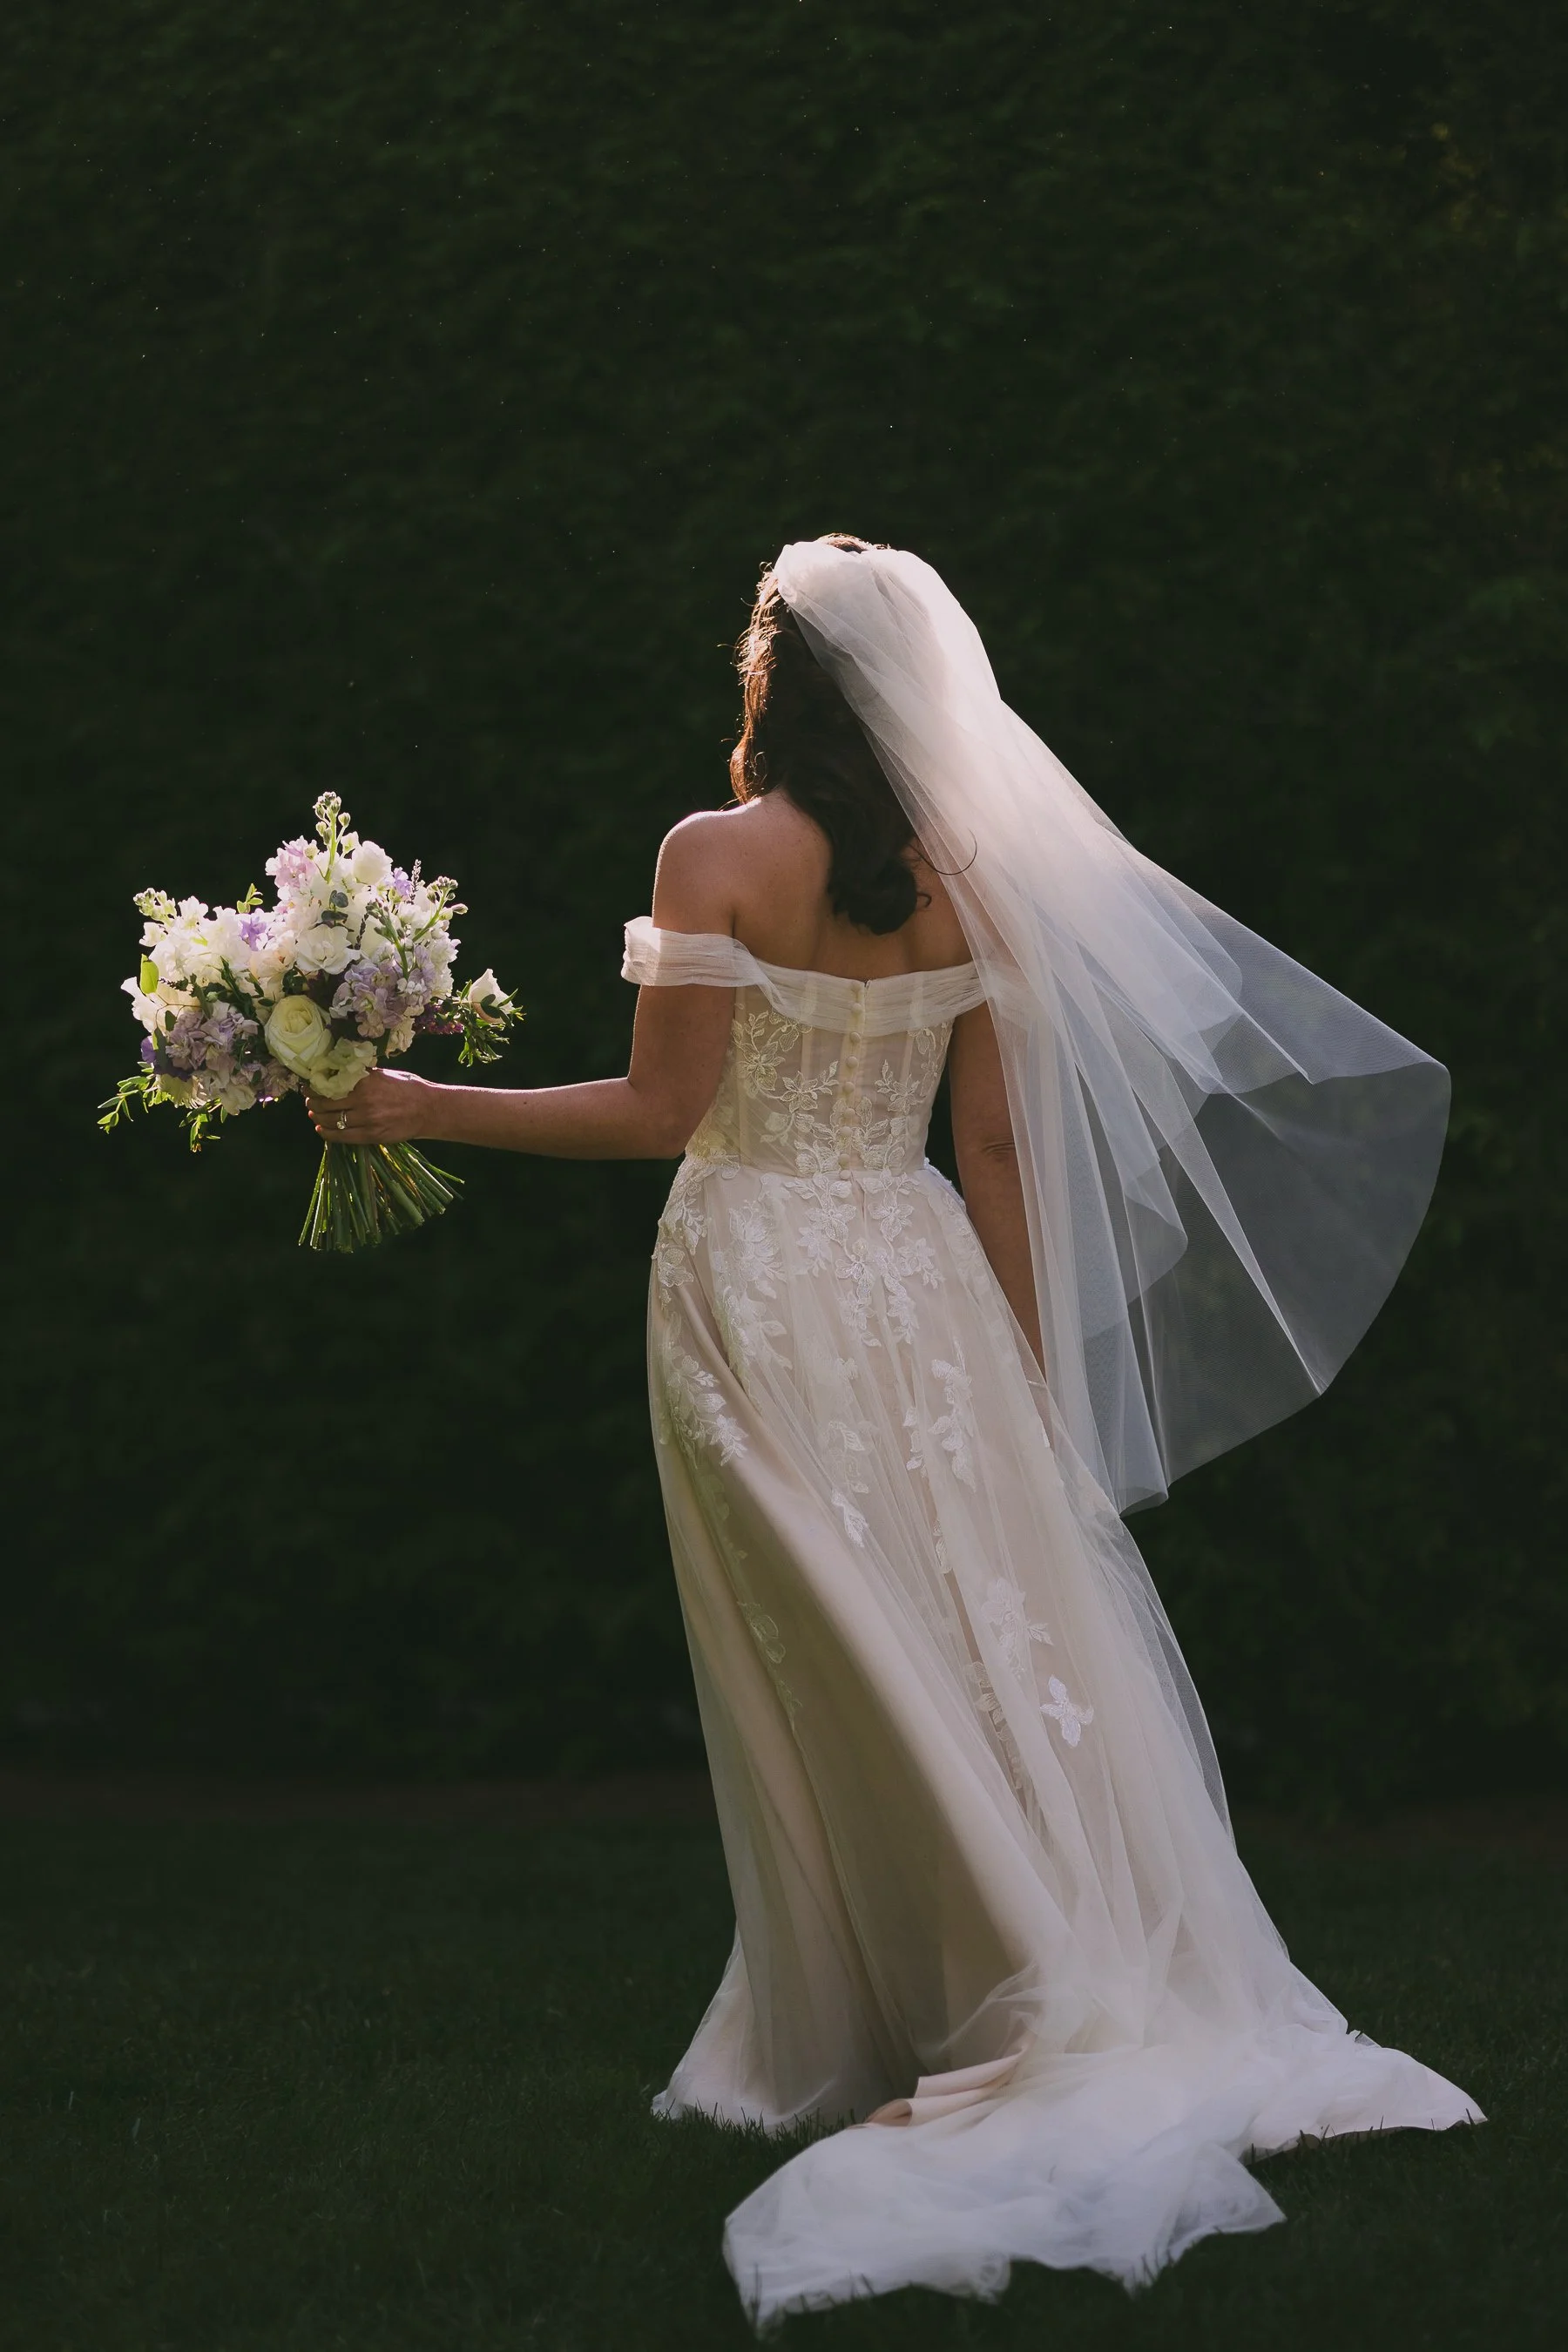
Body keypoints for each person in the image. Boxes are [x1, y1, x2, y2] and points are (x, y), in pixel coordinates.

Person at [308, 536, 1480, 2327]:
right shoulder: (982, 872)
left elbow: (660, 1110)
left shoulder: (716, 855)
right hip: (921, 1277)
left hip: (756, 1277)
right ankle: (972, 1985)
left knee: (827, 1649)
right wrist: (1025, 1365)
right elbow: (996, 1150)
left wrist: (412, 1105)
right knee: (939, 1628)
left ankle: (972, 2006)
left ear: (777, 681)